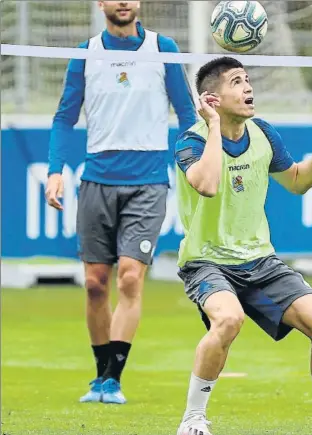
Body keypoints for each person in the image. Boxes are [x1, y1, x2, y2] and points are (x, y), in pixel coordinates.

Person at [174, 56, 312, 435]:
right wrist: (213, 127)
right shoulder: (191, 141)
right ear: (211, 99)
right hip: (207, 262)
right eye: (236, 82)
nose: (248, 88)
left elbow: (297, 182)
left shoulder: (262, 133)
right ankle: (193, 420)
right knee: (228, 319)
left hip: (260, 260)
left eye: (247, 80)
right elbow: (207, 184)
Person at [45, 1, 197, 405]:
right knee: (96, 284)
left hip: (148, 184)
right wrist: (56, 169)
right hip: (96, 181)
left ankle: (113, 378)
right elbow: (64, 117)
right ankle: (100, 377)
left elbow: (186, 115)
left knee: (130, 276)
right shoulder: (85, 53)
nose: (124, 1)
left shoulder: (163, 49)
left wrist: (193, 164)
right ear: (102, 4)